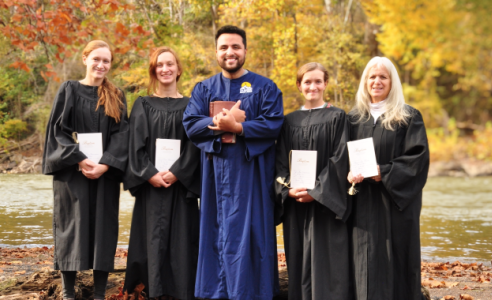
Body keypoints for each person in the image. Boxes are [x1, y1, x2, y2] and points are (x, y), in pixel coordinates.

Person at [182, 25, 284, 300]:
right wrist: (219, 122)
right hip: (215, 176)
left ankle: (253, 292)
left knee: (252, 235)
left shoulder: (266, 87)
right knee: (216, 234)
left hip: (252, 176)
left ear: (245, 51)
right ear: (216, 52)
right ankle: (216, 293)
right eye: (224, 47)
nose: (230, 52)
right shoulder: (205, 88)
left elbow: (273, 124)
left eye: (236, 47)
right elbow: (191, 124)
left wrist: (239, 128)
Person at [42, 40, 129, 300]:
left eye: (106, 61)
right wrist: (79, 158)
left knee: (103, 226)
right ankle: (69, 293)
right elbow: (58, 131)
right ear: (85, 59)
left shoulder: (117, 95)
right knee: (72, 226)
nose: (101, 65)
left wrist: (106, 164)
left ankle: (99, 294)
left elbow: (122, 135)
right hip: (72, 172)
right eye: (96, 59)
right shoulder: (68, 90)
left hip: (105, 173)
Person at [347, 56, 430, 300]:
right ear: (365, 82)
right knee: (364, 257)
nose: (377, 81)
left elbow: (418, 159)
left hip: (395, 205)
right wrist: (347, 173)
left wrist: (383, 171)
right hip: (362, 203)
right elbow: (341, 157)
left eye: (383, 76)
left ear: (392, 82)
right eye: (372, 76)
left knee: (397, 258)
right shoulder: (353, 119)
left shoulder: (407, 117)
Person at [123, 46, 201, 300]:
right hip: (152, 186)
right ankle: (152, 290)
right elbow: (135, 145)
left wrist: (177, 172)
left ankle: (183, 291)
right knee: (153, 239)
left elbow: (194, 145)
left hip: (180, 186)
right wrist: (149, 173)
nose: (165, 69)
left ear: (179, 69)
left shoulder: (191, 105)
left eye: (170, 64)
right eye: (159, 65)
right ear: (153, 70)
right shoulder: (143, 104)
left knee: (182, 240)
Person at [275, 62, 351, 300]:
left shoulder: (337, 117)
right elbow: (279, 161)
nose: (313, 86)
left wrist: (316, 191)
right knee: (297, 258)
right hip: (296, 203)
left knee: (327, 260)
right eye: (307, 82)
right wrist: (287, 189)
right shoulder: (289, 121)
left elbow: (340, 159)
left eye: (318, 81)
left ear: (326, 84)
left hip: (325, 205)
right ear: (299, 85)